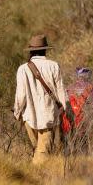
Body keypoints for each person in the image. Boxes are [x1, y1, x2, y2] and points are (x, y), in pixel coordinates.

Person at [13, 35, 67, 164]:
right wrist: (63, 110)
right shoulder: (54, 66)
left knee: (39, 149)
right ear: (45, 50)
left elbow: (21, 96)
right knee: (43, 153)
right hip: (49, 115)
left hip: (29, 116)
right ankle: (37, 177)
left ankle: (35, 176)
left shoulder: (23, 69)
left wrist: (17, 113)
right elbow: (61, 91)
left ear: (31, 51)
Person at [63, 67, 93, 154]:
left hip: (69, 123)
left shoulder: (68, 88)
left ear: (77, 76)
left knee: (68, 149)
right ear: (88, 76)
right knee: (84, 149)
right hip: (86, 123)